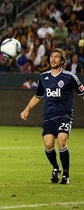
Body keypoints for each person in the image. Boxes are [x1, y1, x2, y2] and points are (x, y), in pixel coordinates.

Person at [20, 48, 84, 185]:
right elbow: (37, 96)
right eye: (51, 56)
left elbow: (82, 92)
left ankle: (66, 175)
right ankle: (56, 168)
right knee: (49, 144)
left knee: (61, 141)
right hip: (48, 116)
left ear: (62, 61)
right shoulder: (43, 77)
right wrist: (27, 109)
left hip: (65, 115)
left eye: (56, 57)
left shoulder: (70, 77)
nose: (53, 59)